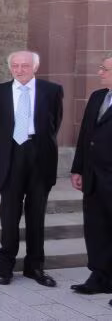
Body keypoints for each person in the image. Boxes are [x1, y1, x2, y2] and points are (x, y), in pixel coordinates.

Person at [0, 51, 62, 287]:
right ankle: (5, 266)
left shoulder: (52, 91)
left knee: (36, 214)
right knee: (9, 214)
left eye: (25, 66)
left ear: (35, 67)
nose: (20, 70)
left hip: (40, 155)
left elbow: (55, 123)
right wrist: (10, 147)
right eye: (15, 66)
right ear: (10, 68)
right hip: (11, 154)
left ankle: (34, 266)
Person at [70, 55, 112, 297]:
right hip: (94, 176)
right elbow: (85, 135)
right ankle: (99, 276)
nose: (100, 72)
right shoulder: (97, 97)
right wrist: (78, 168)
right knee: (96, 228)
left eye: (104, 69)